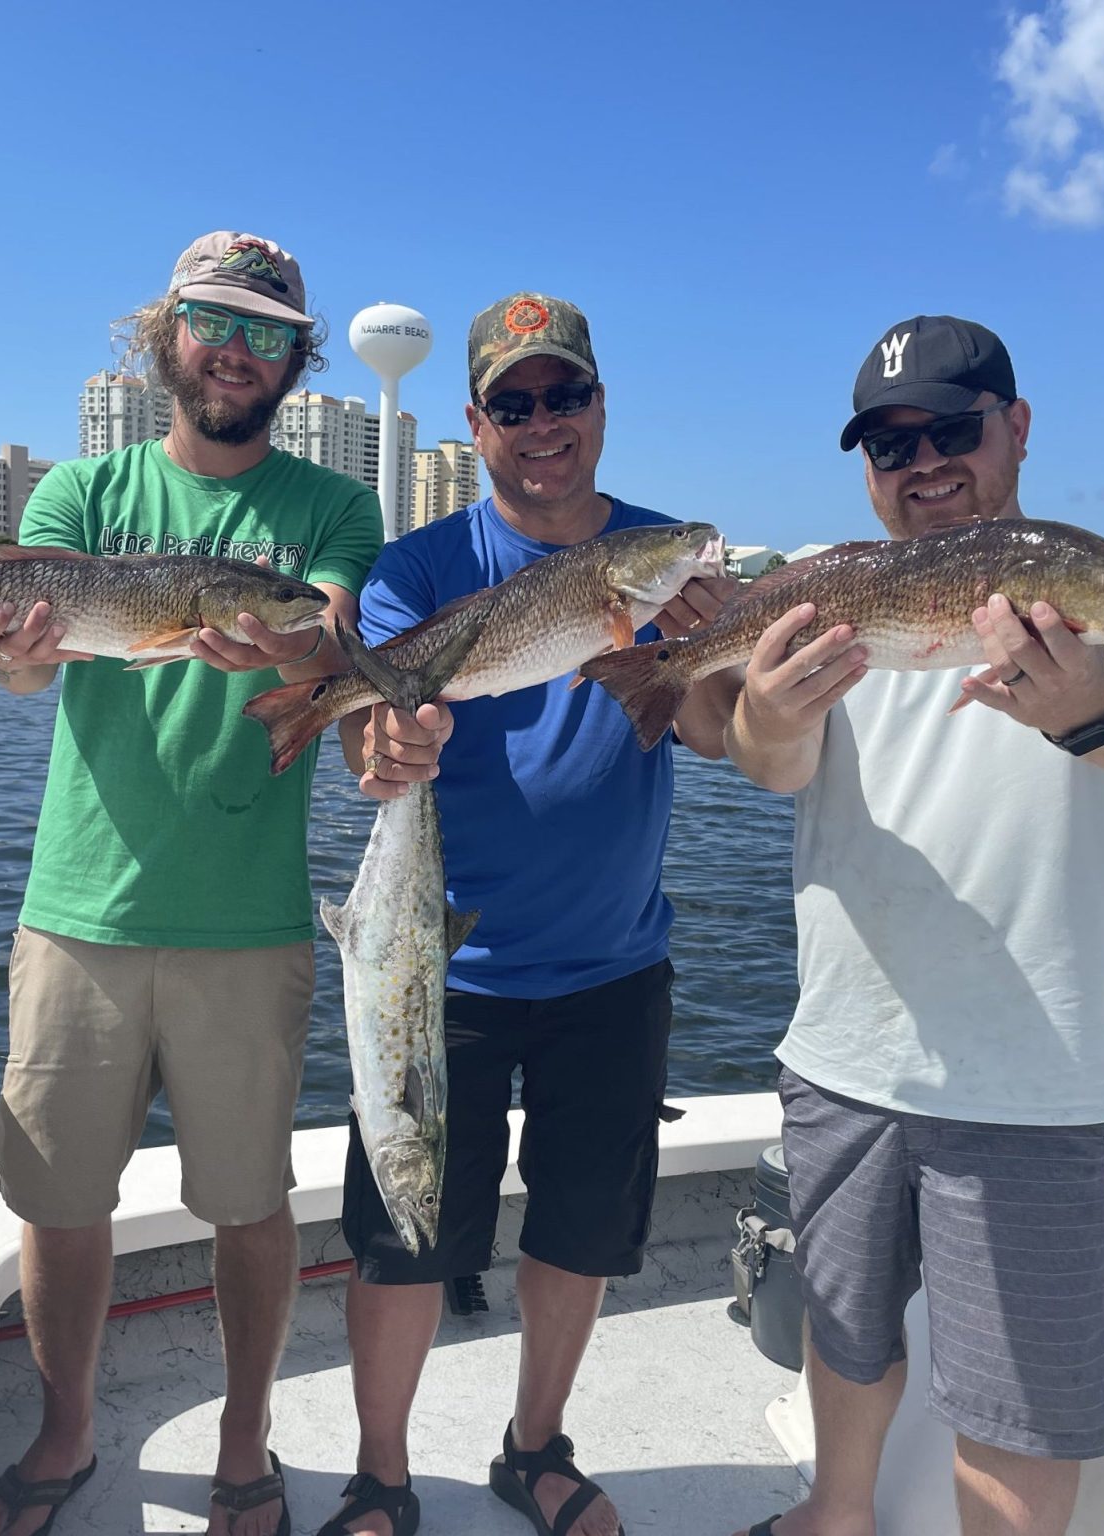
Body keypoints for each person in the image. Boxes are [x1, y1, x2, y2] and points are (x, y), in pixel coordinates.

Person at [725, 315, 1104, 1536]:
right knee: (843, 1329)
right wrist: (764, 717)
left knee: (1021, 1402)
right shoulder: (826, 588)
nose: (923, 462)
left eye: (950, 430)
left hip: (1032, 1077)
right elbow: (769, 767)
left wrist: (1087, 707)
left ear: (1016, 427)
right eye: (890, 445)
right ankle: (835, 1515)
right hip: (842, 1050)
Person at [0, 231, 383, 1536]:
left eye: (267, 333)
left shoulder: (336, 507)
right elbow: (24, 664)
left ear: (297, 363)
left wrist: (278, 643)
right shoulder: (78, 493)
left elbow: (328, 642)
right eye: (214, 322)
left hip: (247, 922)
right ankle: (67, 1429)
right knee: (58, 1205)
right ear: (165, 338)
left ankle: (244, 1439)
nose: (236, 351)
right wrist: (5, 651)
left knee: (249, 1206)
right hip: (76, 913)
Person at [315, 293, 735, 1536]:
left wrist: (699, 653)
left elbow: (715, 736)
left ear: (600, 406)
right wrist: (385, 747)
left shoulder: (668, 560)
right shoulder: (419, 569)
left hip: (613, 957)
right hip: (436, 963)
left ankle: (534, 1448)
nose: (543, 423)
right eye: (515, 403)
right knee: (401, 1237)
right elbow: (362, 737)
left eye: (565, 396)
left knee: (580, 1233)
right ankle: (380, 1475)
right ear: (475, 421)